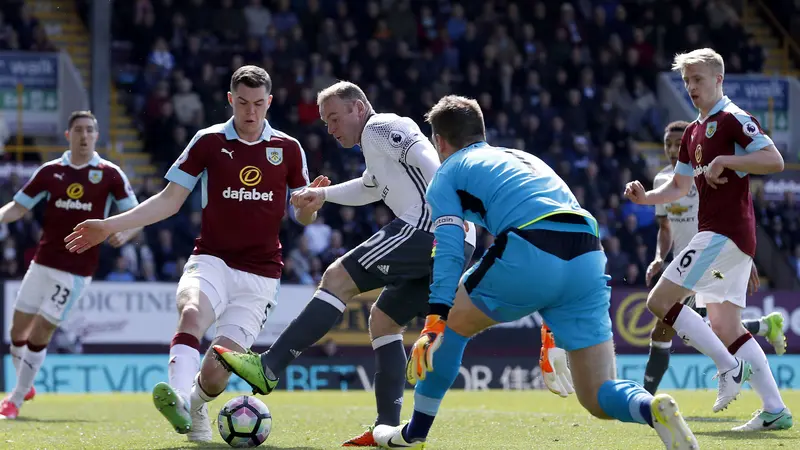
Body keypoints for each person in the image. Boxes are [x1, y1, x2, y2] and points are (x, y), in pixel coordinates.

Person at [371, 95, 698, 449]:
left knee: (450, 326)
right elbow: (560, 236)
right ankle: (652, 408)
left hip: (534, 246)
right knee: (596, 394)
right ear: (481, 131)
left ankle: (414, 433)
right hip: (588, 251)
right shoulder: (526, 159)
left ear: (440, 141)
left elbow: (449, 246)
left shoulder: (447, 171)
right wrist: (551, 331)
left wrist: (434, 317)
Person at [212, 81, 476, 447]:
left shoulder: (382, 127)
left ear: (358, 108)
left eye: (335, 118)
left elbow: (427, 158)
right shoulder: (375, 148)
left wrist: (450, 207)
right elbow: (369, 187)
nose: (331, 128)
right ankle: (387, 430)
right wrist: (321, 194)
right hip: (455, 241)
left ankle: (269, 367)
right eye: (325, 122)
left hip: (430, 227)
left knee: (337, 277)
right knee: (383, 321)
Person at [63, 66, 315, 442]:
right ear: (231, 100)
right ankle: (179, 398)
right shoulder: (208, 141)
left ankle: (195, 405)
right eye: (243, 103)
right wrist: (109, 225)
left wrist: (312, 205)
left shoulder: (288, 148)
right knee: (191, 312)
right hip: (211, 259)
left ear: (270, 102)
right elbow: (169, 200)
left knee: (217, 369)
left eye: (259, 104)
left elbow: (302, 214)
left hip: (261, 276)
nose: (251, 112)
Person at [624, 48, 792, 431]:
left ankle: (729, 367)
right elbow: (680, 185)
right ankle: (775, 410)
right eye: (686, 81)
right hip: (725, 235)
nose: (691, 87)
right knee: (727, 327)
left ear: (719, 79)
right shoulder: (695, 131)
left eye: (697, 79)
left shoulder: (733, 119)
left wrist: (727, 161)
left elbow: (775, 160)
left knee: (659, 301)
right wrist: (646, 198)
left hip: (724, 232)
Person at [0, 111, 140, 419]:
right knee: (17, 331)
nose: (84, 135)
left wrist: (125, 234)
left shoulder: (109, 173)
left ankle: (17, 397)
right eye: (79, 130)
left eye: (90, 130)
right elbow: (19, 207)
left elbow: (136, 215)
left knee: (41, 330)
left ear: (96, 135)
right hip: (42, 262)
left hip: (76, 271)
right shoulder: (50, 172)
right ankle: (27, 380)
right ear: (68, 135)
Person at [642, 120, 787, 395]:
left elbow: (731, 217)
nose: (673, 150)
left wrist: (745, 257)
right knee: (706, 325)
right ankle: (763, 326)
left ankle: (645, 398)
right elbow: (665, 227)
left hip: (711, 261)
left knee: (669, 323)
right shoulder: (663, 182)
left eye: (677, 144)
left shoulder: (703, 176)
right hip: (682, 263)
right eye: (668, 145)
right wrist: (660, 257)